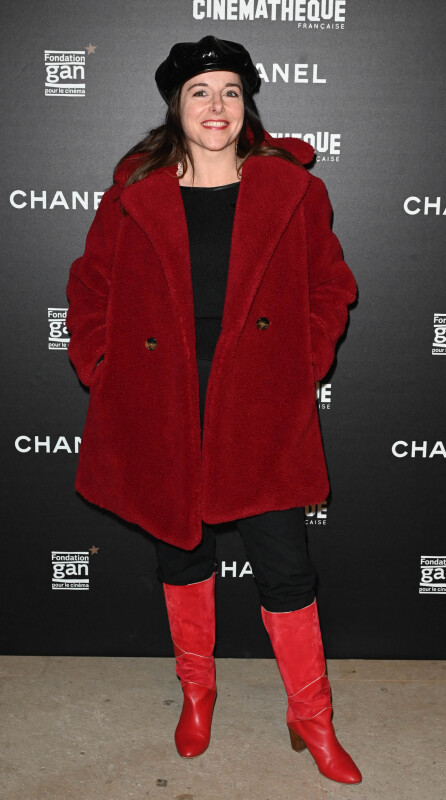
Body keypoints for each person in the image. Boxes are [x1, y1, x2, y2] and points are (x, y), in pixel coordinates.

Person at [66, 36, 361, 784]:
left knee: (287, 567)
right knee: (182, 552)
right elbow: (90, 286)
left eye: (231, 90)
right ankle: (197, 694)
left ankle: (311, 716)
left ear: (247, 103)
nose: (217, 106)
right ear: (176, 104)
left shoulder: (292, 190)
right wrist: (100, 366)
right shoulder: (134, 192)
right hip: (161, 403)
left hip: (258, 404)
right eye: (201, 92)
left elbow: (331, 287)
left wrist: (304, 363)